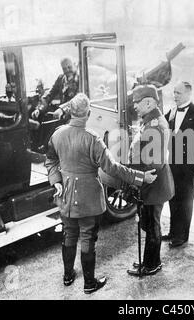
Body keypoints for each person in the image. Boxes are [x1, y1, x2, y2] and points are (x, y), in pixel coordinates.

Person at [45, 93, 157, 293]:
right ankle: (89, 284)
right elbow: (113, 168)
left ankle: (68, 276)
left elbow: (51, 160)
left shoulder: (57, 134)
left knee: (69, 233)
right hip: (88, 198)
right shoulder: (93, 139)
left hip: (65, 195)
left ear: (70, 112)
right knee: (88, 236)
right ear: (88, 114)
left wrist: (56, 181)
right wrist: (140, 177)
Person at [126, 84, 175, 276]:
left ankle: (152, 264)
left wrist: (137, 179)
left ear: (148, 102)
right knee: (148, 223)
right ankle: (149, 260)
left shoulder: (156, 124)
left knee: (152, 225)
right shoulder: (150, 120)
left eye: (137, 102)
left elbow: (152, 162)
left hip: (153, 181)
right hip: (150, 181)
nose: (135, 106)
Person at [162, 81, 194, 248]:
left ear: (189, 94)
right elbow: (163, 127)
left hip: (190, 169)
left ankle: (182, 236)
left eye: (179, 93)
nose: (175, 96)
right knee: (173, 199)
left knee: (186, 202)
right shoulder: (173, 111)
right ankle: (173, 232)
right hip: (174, 165)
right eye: (174, 92)